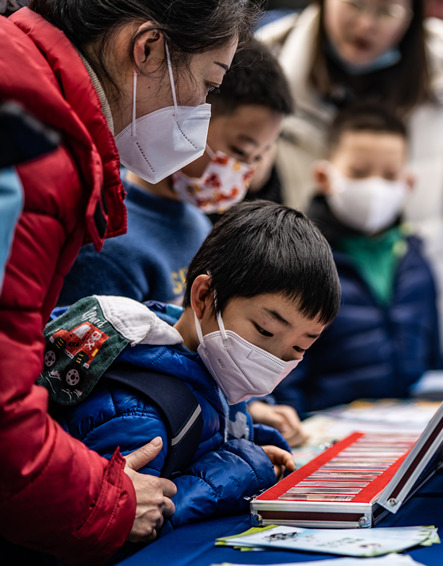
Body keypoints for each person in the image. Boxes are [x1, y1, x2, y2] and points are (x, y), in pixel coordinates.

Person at [0, 0, 256, 562]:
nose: (202, 113)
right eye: (209, 86)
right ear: (147, 49)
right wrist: (104, 498)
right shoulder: (31, 143)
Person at [44, 201, 339, 550]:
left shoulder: (209, 364)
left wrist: (249, 440)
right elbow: (128, 532)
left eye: (299, 348)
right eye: (264, 330)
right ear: (203, 296)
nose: (275, 358)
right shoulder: (139, 412)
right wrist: (241, 468)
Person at [256, 0, 443, 358]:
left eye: (387, 12)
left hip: (417, 299)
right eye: (354, 6)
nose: (367, 24)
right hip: (307, 292)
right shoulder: (272, 55)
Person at [250, 102, 443, 428]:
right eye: (358, 172)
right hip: (322, 432)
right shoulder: (296, 258)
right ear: (324, 176)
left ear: (407, 184)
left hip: (410, 429)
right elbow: (281, 369)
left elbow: (434, 356)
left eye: (389, 175)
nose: (375, 186)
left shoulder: (416, 258)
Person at [58, 38, 293, 307]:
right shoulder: (108, 239)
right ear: (193, 117)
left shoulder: (199, 224)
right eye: (240, 151)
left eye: (258, 157)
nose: (244, 172)